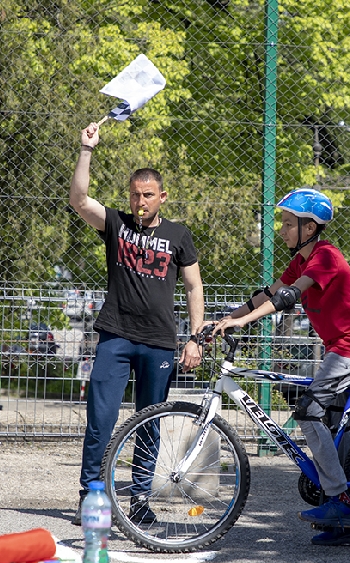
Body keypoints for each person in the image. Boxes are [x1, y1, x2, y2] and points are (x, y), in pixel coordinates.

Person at [212, 188, 350, 546]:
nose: (282, 230)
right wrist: (226, 319)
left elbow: (290, 296)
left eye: (289, 224)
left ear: (309, 227)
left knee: (307, 412)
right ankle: (347, 523)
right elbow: (270, 293)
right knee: (332, 421)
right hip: (339, 348)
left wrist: (246, 323)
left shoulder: (326, 256)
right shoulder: (301, 259)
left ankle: (340, 501)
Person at [68, 121, 204, 525]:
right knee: (101, 421)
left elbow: (194, 287)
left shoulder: (179, 235)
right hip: (116, 335)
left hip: (159, 343)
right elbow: (79, 199)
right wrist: (86, 149)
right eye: (134, 195)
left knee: (149, 425)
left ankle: (140, 502)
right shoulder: (117, 224)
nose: (140, 201)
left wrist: (195, 338)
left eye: (147, 195)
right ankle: (91, 497)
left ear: (162, 196)